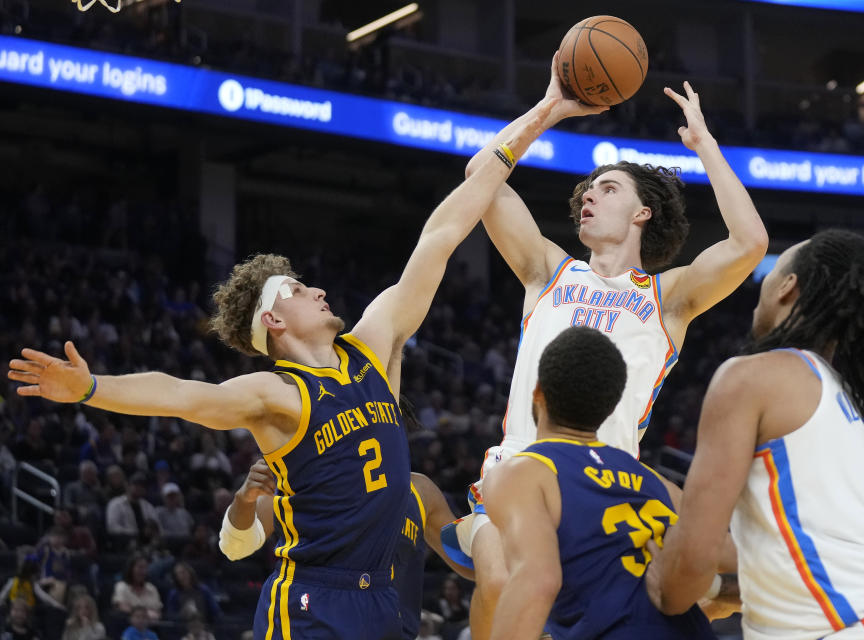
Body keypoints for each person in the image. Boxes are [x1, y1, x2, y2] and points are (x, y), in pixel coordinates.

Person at [9, 97, 554, 639]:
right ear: (272, 319)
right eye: (296, 288)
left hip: (385, 599)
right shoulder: (276, 394)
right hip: (313, 601)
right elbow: (178, 393)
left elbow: (440, 237)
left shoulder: (373, 345)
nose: (317, 289)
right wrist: (90, 387)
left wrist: (543, 114)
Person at [451, 53, 768, 640]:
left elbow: (750, 243)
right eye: (589, 189)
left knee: (715, 589)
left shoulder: (668, 297)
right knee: (501, 578)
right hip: (523, 468)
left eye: (608, 187)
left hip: (612, 488)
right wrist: (549, 109)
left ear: (642, 212)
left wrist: (705, 145)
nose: (589, 196)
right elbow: (482, 179)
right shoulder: (549, 270)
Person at [644, 230, 864, 638]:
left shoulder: (753, 376)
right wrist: (727, 592)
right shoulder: (860, 414)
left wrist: (657, 583)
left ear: (787, 287)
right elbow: (809, 560)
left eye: (769, 276)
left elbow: (687, 566)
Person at [483, 326, 722, 639]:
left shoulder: (522, 473)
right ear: (610, 408)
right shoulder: (659, 484)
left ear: (538, 391)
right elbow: (727, 564)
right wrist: (717, 593)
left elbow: (537, 582)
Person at [220, 458, 474, 640]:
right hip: (314, 623)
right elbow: (235, 547)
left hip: (391, 629)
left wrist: (491, 518)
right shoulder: (301, 479)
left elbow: (469, 564)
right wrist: (245, 498)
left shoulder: (419, 490)